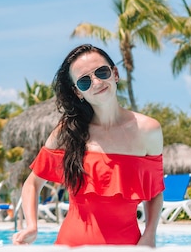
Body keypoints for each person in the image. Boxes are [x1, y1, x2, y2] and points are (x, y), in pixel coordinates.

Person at [12, 44, 164, 247]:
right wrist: (32, 226)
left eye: (101, 72)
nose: (96, 82)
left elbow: (154, 191)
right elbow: (32, 184)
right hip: (70, 245)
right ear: (78, 92)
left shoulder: (148, 130)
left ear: (115, 73)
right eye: (84, 81)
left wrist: (150, 234)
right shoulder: (68, 133)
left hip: (129, 246)